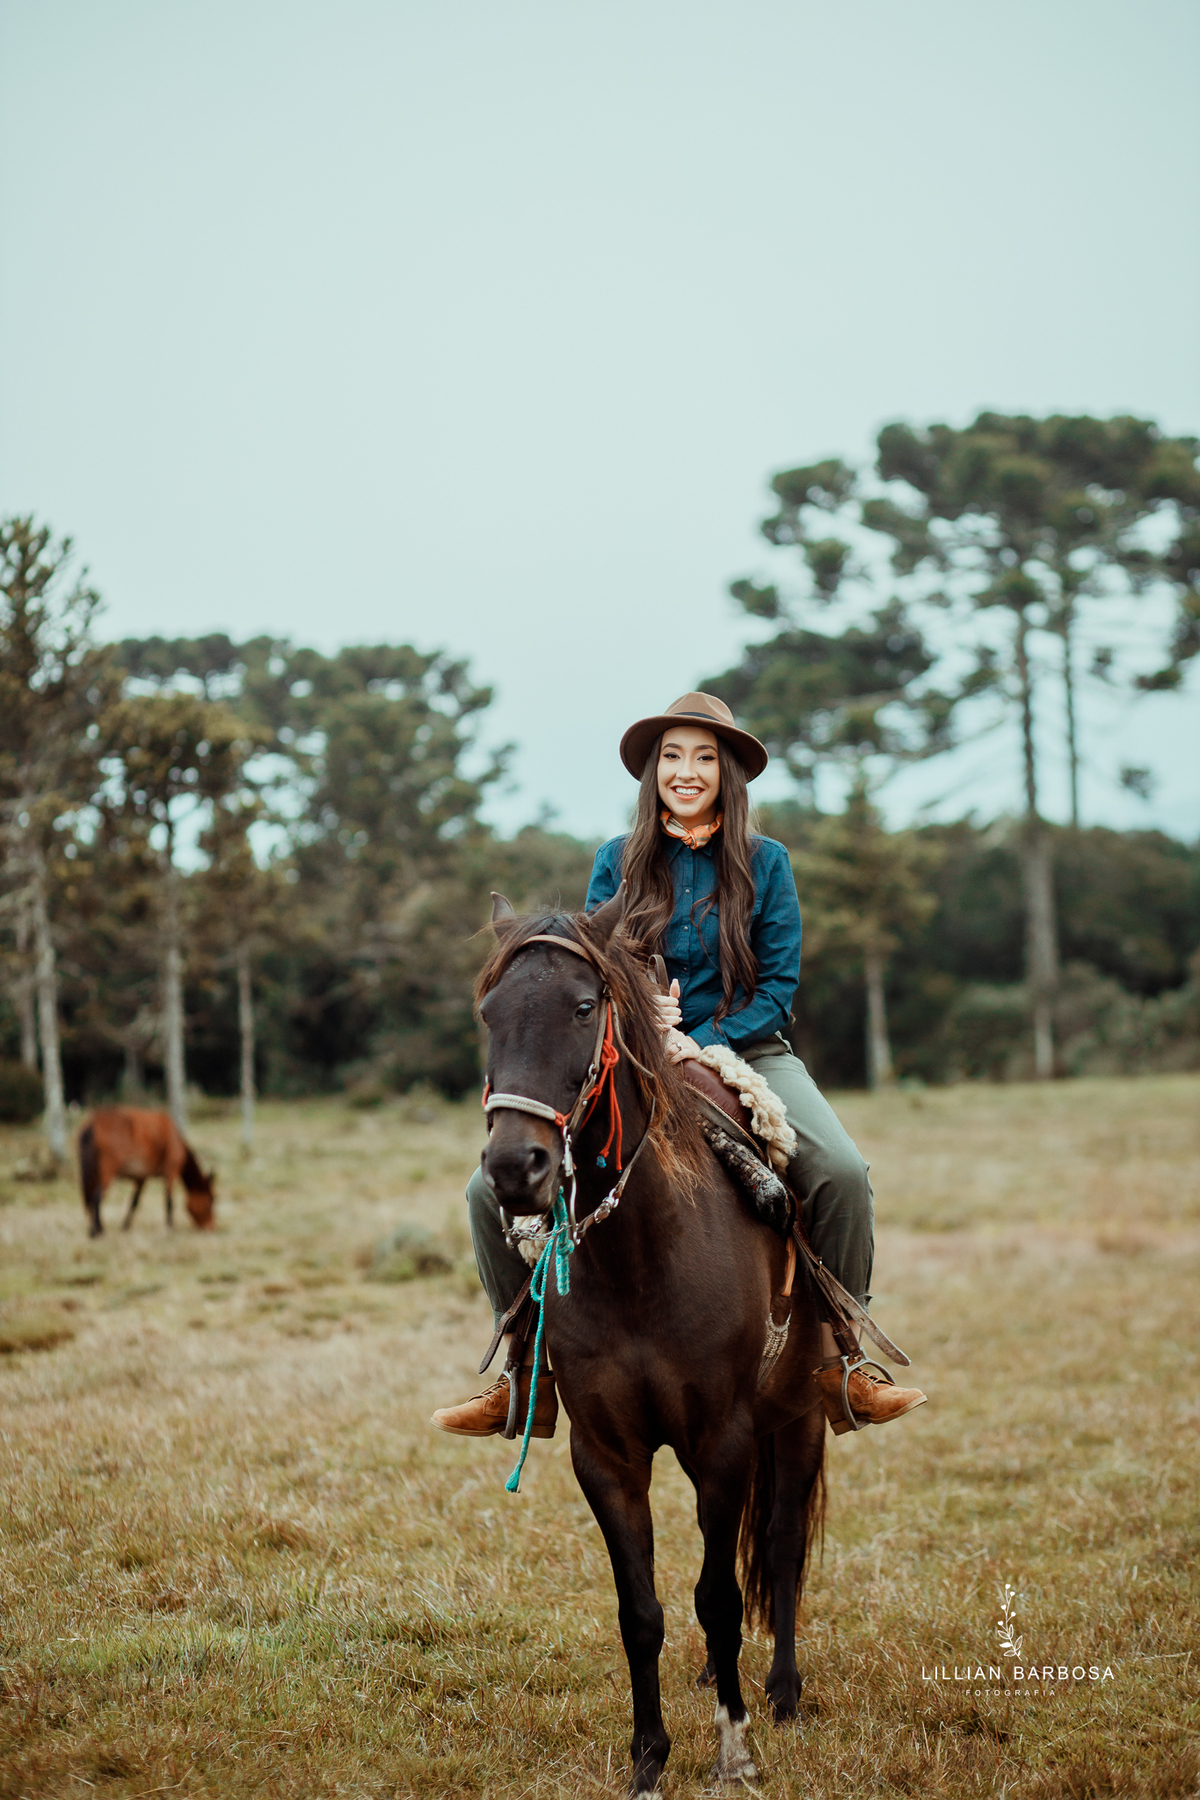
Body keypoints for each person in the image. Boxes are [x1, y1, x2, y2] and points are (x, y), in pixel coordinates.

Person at [431, 691, 926, 1439]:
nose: (685, 771)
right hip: (637, 1054)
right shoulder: (616, 862)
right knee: (481, 1194)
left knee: (844, 1173)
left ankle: (843, 1360)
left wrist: (706, 1036)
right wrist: (645, 1019)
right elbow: (595, 971)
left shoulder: (768, 864)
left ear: (727, 771)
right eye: (671, 756)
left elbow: (779, 985)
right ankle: (527, 1376)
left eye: (701, 757)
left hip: (750, 1049)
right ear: (652, 772)